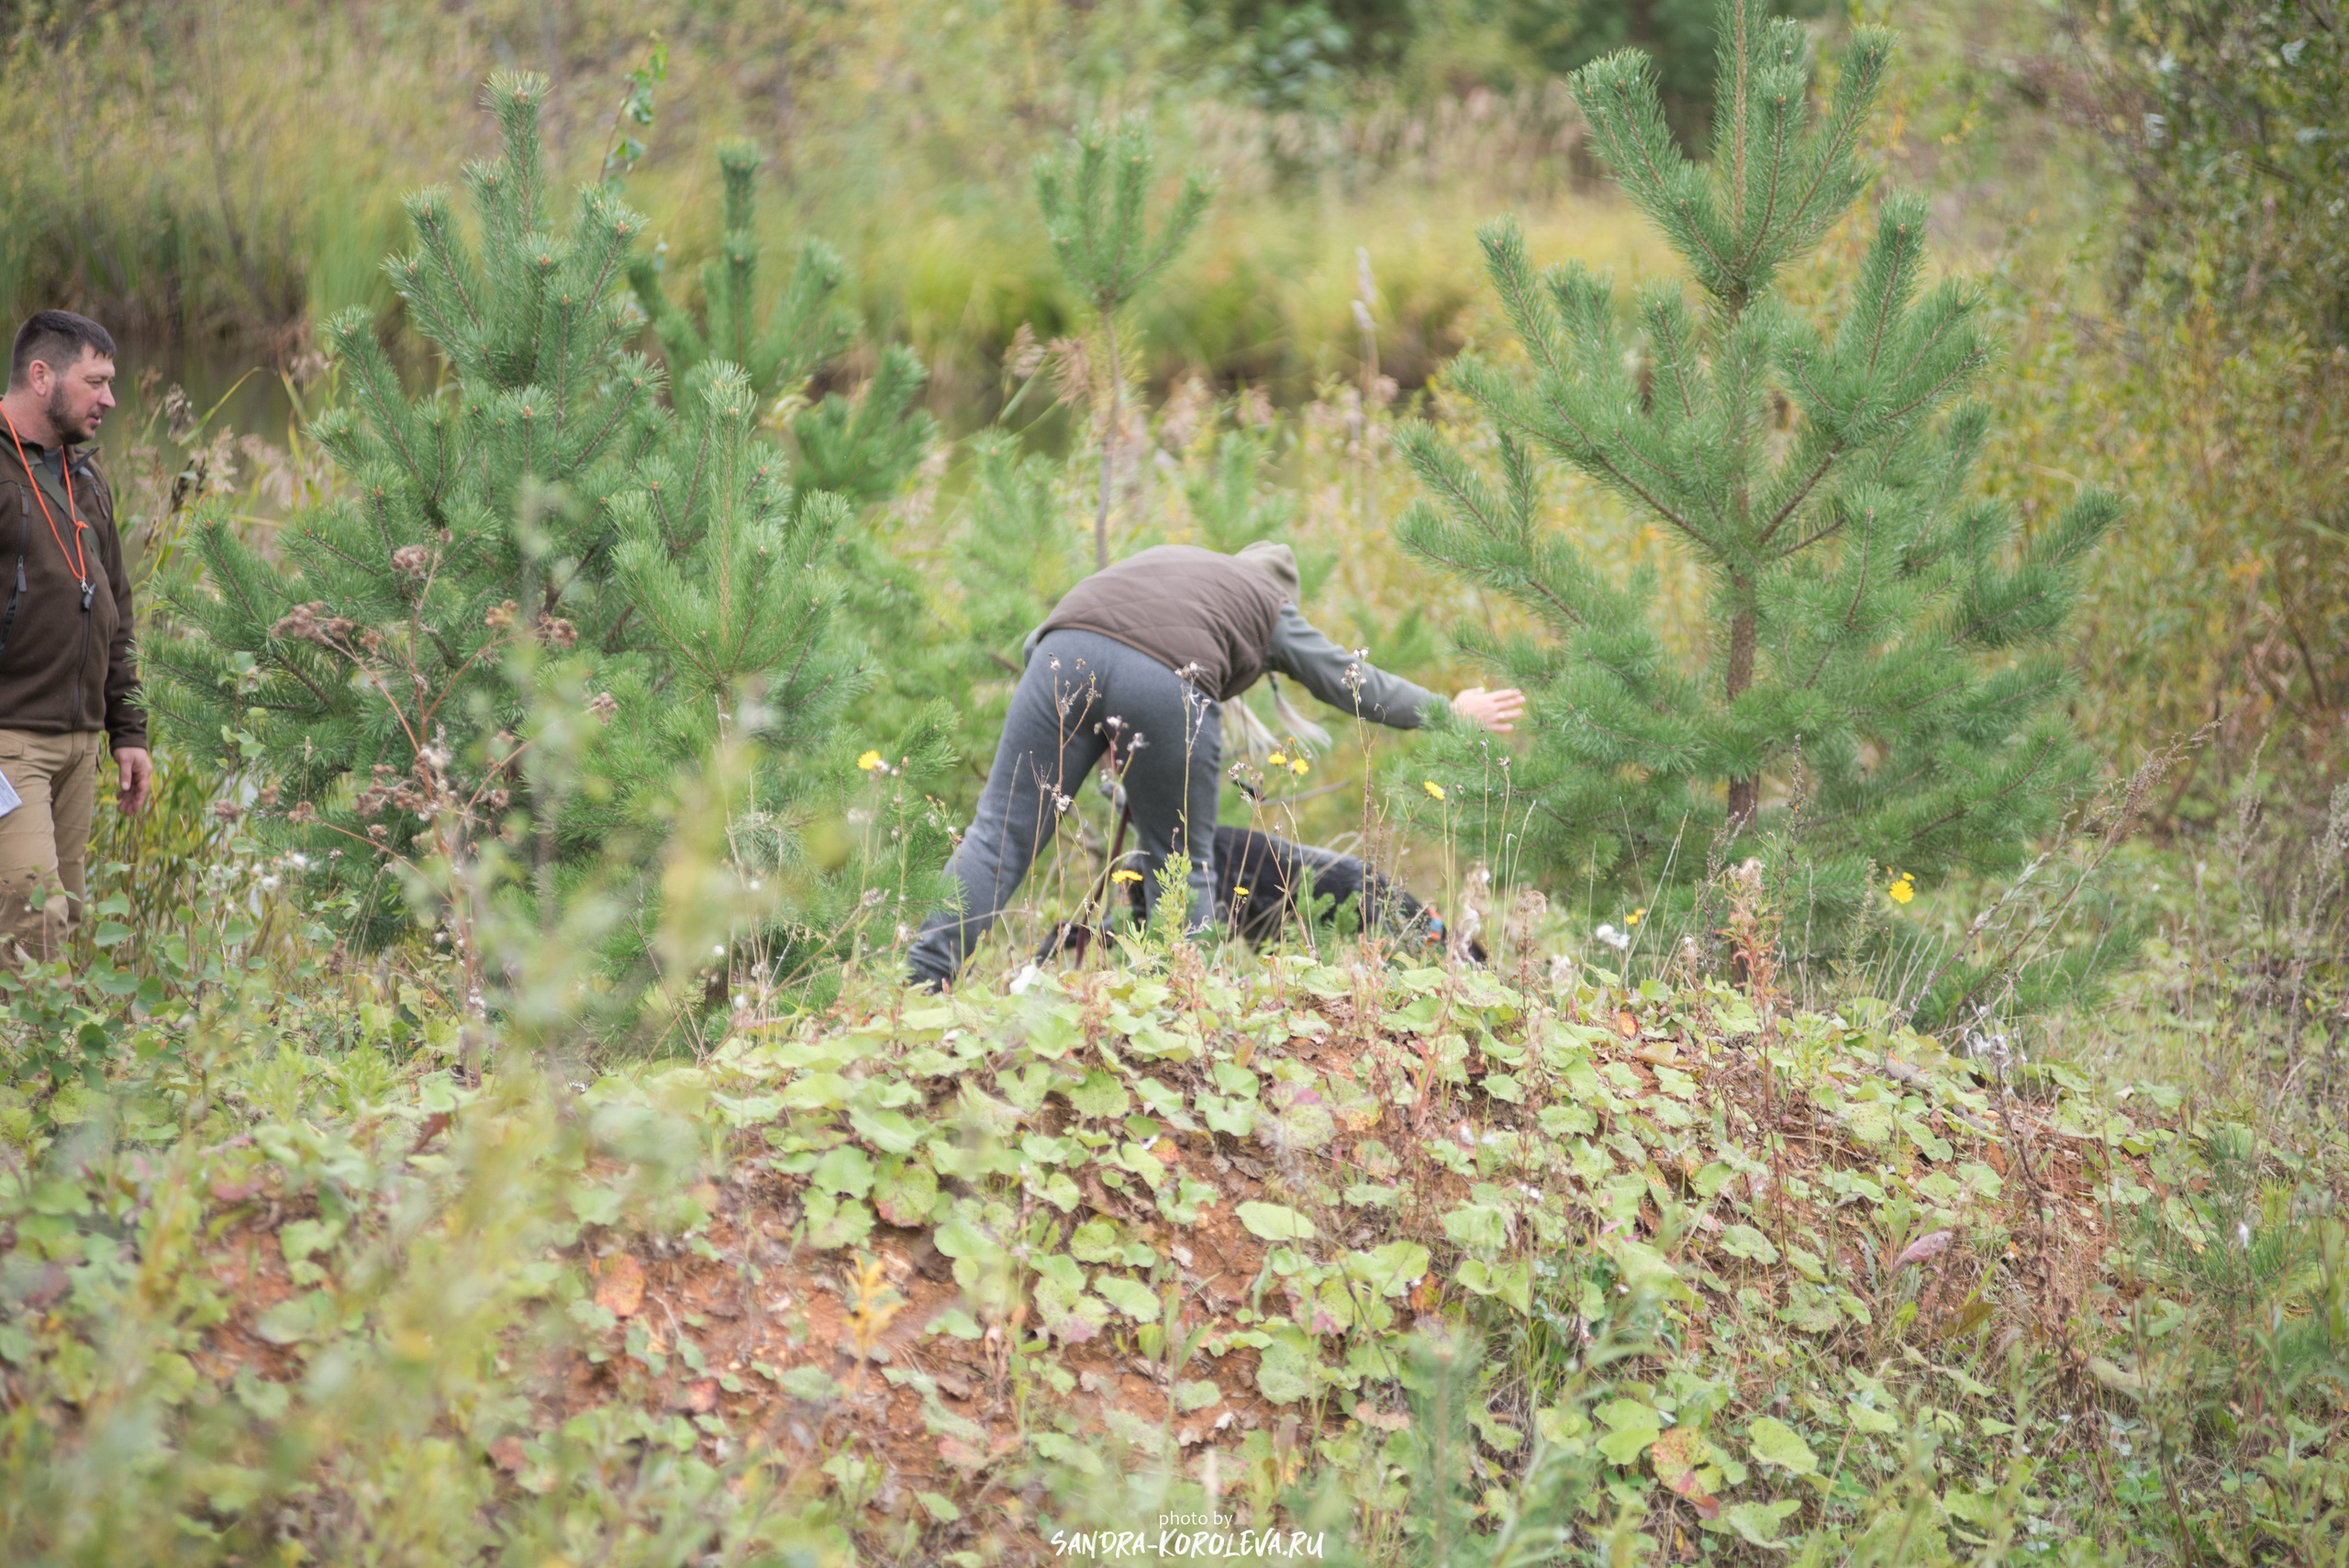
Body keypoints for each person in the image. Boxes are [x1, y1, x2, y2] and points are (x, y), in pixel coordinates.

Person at [907, 540, 1521, 987]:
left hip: (1059, 653)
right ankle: (1194, 1012)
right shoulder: (1268, 601)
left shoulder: (1171, 563)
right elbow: (1347, 679)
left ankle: (922, 983)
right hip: (1165, 680)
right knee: (1185, 866)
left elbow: (1054, 641)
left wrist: (1098, 733)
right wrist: (1448, 709)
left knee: (998, 836)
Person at [0, 310, 149, 966]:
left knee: (69, 914)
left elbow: (118, 611)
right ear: (41, 376)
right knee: (35, 918)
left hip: (79, 745)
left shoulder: (86, 479)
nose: (109, 399)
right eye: (95, 381)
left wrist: (131, 732)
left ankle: (38, 1058)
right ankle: (38, 1069)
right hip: (9, 741)